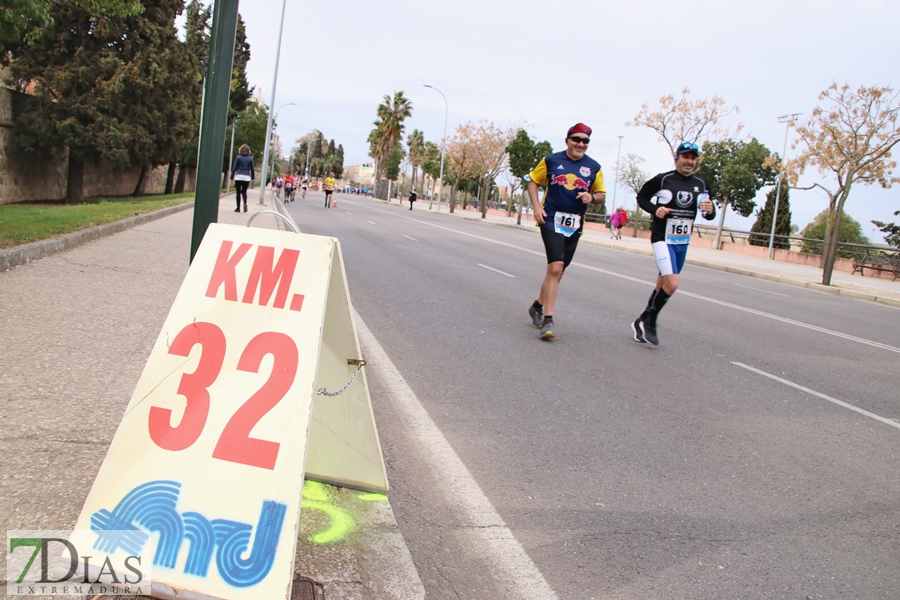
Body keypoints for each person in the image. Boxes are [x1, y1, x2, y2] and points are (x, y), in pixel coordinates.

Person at [630, 141, 717, 346]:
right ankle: (650, 321)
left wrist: (711, 210)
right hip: (662, 237)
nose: (689, 161)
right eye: (685, 157)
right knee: (673, 283)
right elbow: (642, 197)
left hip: (682, 241)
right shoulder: (663, 180)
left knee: (663, 284)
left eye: (693, 158)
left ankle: (640, 321)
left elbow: (708, 214)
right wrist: (654, 210)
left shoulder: (702, 184)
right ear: (676, 157)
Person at [526, 123, 606, 340]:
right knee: (556, 267)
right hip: (551, 217)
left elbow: (601, 195)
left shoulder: (594, 167)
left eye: (585, 141)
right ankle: (548, 320)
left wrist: (593, 197)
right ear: (567, 140)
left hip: (574, 224)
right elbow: (533, 181)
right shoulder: (551, 160)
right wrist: (536, 207)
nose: (581, 144)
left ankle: (537, 306)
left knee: (558, 271)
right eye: (576, 139)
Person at [230, 144, 255, 213]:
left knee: (238, 192)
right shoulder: (250, 158)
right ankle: (245, 203)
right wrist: (253, 178)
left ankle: (238, 208)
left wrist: (231, 177)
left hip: (239, 176)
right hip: (246, 177)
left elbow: (234, 168)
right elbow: (252, 169)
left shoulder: (238, 157)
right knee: (244, 191)